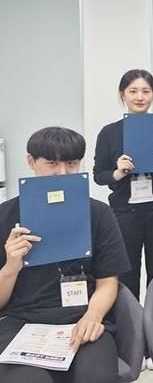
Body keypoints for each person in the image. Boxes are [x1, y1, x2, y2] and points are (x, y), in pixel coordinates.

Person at [0, 127, 130, 383]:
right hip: (20, 322)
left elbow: (108, 281)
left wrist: (93, 316)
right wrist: (11, 267)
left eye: (71, 163)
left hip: (82, 317)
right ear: (31, 161)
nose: (63, 173)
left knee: (96, 376)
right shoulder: (5, 216)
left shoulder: (98, 213)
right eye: (52, 163)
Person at [93, 69, 153, 299]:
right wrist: (118, 172)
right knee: (126, 272)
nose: (139, 97)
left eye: (146, 91)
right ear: (122, 94)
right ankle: (130, 319)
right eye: (133, 91)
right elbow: (99, 175)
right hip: (124, 212)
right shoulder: (109, 133)